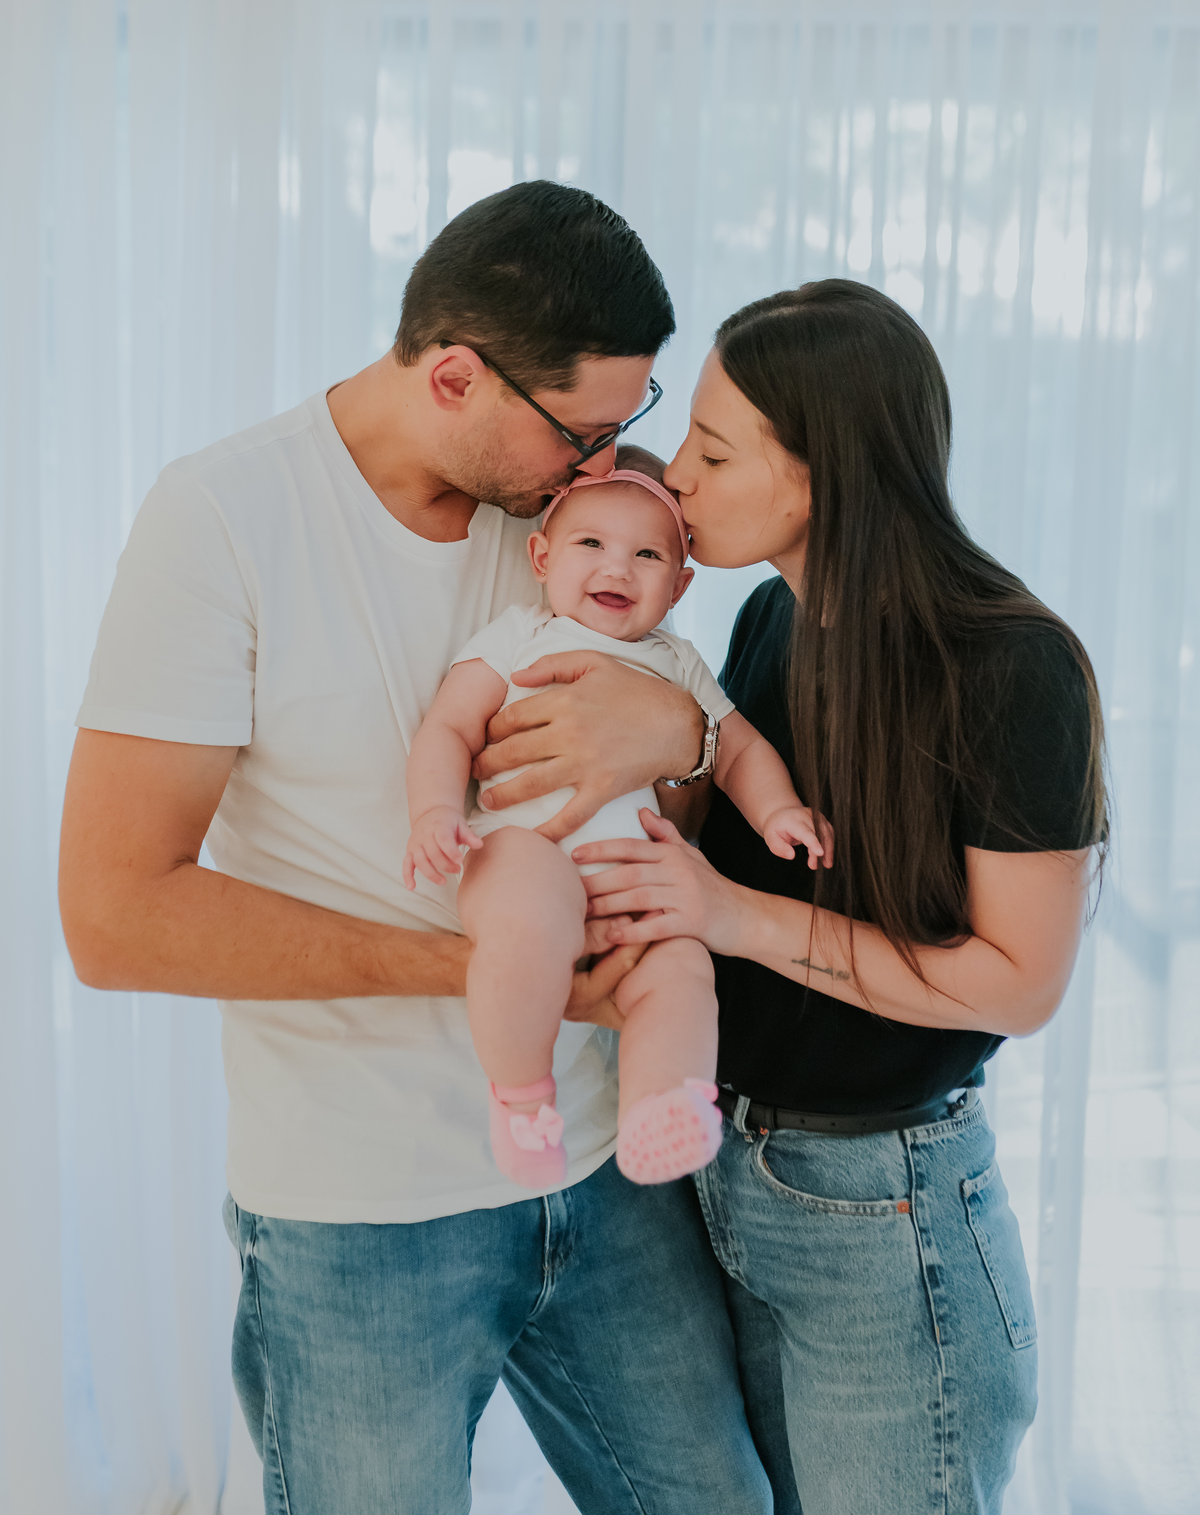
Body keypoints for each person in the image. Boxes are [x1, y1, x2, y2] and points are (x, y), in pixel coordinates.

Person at [57, 183, 773, 1515]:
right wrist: (487, 971)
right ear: (455, 374)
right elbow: (114, 915)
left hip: (613, 1172)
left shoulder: (573, 528)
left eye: (632, 428)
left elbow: (666, 802)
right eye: (586, 432)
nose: (615, 469)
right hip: (361, 1219)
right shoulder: (223, 519)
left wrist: (679, 729)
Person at [565, 280, 1108, 1515]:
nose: (676, 482)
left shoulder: (1013, 666)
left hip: (886, 1211)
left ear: (822, 473)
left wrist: (735, 917)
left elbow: (1019, 983)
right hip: (733, 1176)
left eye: (712, 450)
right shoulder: (766, 616)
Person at [404, 449, 830, 1190]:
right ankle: (523, 1098)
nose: (618, 568)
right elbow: (447, 728)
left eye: (647, 554)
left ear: (679, 585)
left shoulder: (679, 661)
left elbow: (739, 749)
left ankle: (661, 1107)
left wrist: (778, 810)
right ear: (541, 555)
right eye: (591, 544)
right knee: (530, 919)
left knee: (682, 972)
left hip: (631, 876)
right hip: (522, 853)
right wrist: (435, 811)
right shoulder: (519, 634)